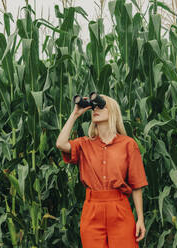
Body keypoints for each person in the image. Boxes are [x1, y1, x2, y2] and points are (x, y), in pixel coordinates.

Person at [56, 94, 148, 248]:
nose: (95, 109)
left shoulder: (128, 144)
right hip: (92, 210)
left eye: (101, 106)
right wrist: (75, 114)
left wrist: (140, 218)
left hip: (120, 209)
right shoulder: (84, 144)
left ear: (112, 112)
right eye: (94, 107)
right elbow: (60, 143)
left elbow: (137, 184)